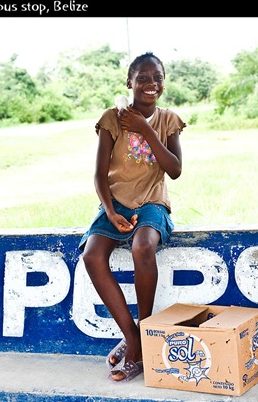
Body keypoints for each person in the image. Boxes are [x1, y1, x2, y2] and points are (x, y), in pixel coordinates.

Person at [79, 52, 185, 383]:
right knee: (92, 255)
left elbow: (176, 170)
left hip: (152, 201)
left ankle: (140, 336)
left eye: (157, 78)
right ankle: (135, 337)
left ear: (164, 82)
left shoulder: (168, 120)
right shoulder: (112, 118)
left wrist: (145, 129)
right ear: (130, 82)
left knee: (142, 247)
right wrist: (110, 211)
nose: (150, 84)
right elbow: (99, 174)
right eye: (142, 78)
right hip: (115, 202)